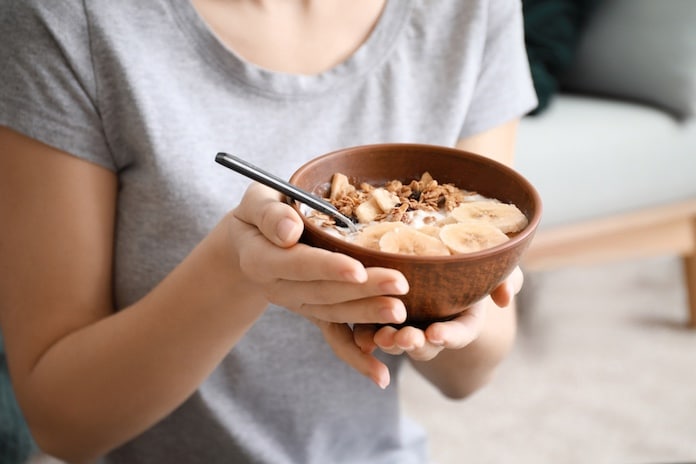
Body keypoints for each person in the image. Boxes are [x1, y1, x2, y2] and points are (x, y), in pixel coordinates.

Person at [0, 0, 537, 462]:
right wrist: (238, 268)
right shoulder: (68, 18)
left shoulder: (469, 9)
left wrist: (450, 295)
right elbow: (62, 424)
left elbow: (470, 373)